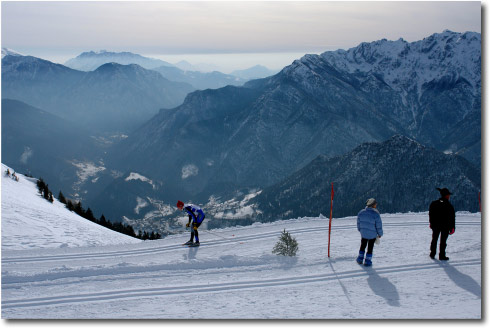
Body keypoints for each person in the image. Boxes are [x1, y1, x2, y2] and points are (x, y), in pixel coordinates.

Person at [428, 188, 455, 261]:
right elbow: (452, 218)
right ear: (446, 196)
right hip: (445, 226)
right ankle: (442, 256)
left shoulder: (434, 203)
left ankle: (432, 254)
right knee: (443, 241)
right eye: (448, 195)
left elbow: (431, 214)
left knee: (434, 239)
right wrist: (452, 228)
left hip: (435, 225)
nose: (449, 196)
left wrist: (431, 223)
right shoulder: (449, 206)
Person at [356, 198, 383, 266]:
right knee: (370, 247)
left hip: (363, 233)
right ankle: (367, 261)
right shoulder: (376, 214)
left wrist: (360, 230)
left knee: (363, 245)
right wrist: (380, 234)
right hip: (372, 235)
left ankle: (360, 258)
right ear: (373, 205)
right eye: (375, 204)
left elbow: (358, 223)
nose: (376, 205)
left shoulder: (361, 212)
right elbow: (378, 226)